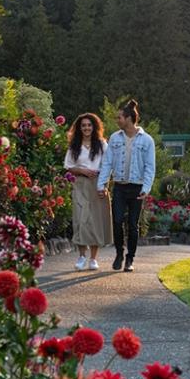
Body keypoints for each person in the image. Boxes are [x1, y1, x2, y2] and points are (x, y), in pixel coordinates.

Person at [97, 99, 156, 272]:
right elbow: (107, 163)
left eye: (119, 118)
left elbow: (150, 167)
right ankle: (119, 254)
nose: (117, 121)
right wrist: (102, 184)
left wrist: (146, 188)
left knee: (132, 224)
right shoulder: (115, 138)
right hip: (120, 187)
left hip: (137, 188)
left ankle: (130, 259)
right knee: (116, 221)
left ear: (129, 118)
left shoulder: (147, 140)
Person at [64, 113, 113, 270]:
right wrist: (83, 171)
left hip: (98, 184)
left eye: (89, 125)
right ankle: (81, 256)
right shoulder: (74, 146)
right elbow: (68, 166)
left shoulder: (102, 144)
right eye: (83, 125)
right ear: (80, 128)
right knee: (80, 220)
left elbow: (107, 166)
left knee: (95, 221)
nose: (86, 128)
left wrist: (104, 186)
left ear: (94, 127)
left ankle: (93, 259)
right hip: (80, 184)